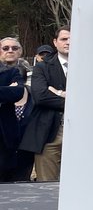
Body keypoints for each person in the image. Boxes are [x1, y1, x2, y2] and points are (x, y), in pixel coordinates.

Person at [20, 27, 70, 182]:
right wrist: (75, 101)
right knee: (47, 185)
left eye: (73, 39)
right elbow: (41, 96)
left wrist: (58, 93)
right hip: (50, 133)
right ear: (55, 42)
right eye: (64, 39)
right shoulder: (42, 66)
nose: (68, 42)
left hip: (81, 133)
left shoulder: (90, 67)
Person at [0, 37, 34, 181]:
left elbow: (18, 92)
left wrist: (10, 92)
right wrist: (6, 91)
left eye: (14, 48)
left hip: (12, 143)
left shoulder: (14, 73)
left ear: (20, 51)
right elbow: (11, 93)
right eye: (6, 48)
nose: (10, 51)